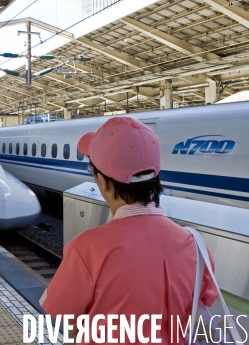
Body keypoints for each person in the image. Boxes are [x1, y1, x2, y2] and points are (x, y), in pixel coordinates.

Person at [39, 117, 218, 343]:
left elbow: (68, 319)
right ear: (155, 177)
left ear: (104, 182)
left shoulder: (86, 249)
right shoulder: (195, 245)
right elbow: (204, 301)